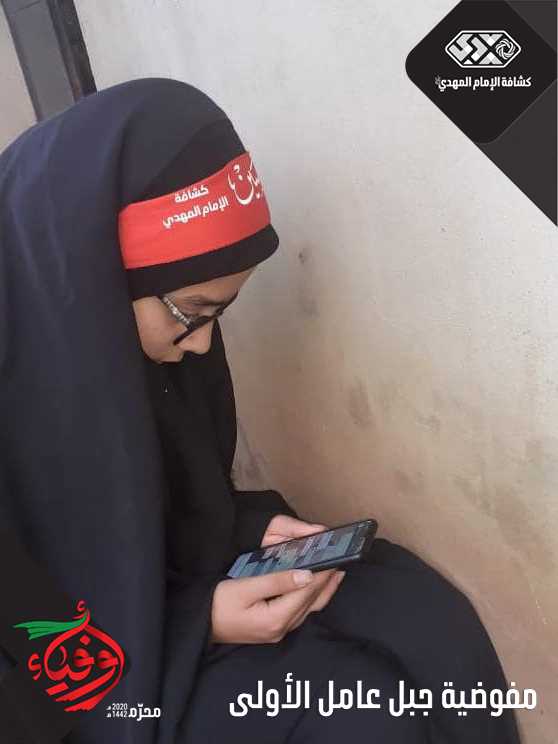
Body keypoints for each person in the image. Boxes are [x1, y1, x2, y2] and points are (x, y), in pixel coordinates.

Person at [0, 77, 520, 744]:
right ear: (94, 279)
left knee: (416, 611)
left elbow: (144, 511)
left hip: (163, 608)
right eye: (191, 313)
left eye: (219, 315)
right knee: (357, 715)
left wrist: (242, 529)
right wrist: (197, 626)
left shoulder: (109, 344)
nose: (201, 345)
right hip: (80, 692)